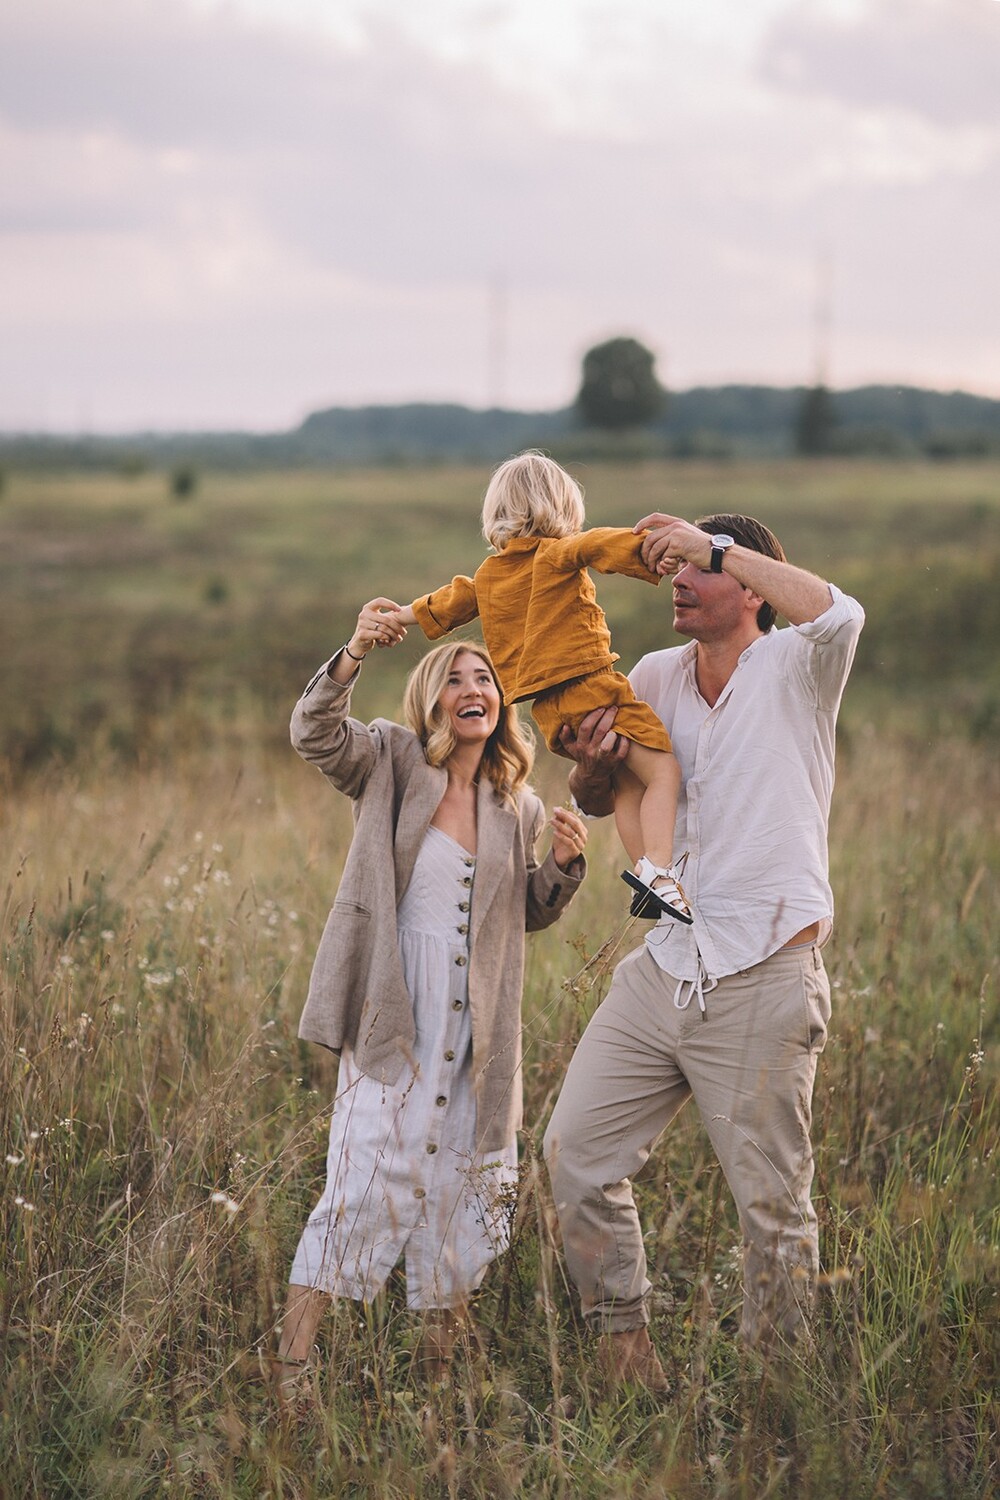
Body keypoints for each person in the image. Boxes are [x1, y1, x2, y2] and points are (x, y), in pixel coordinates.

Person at [543, 511, 864, 1394]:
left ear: (750, 585)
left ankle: (779, 1396)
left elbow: (844, 614)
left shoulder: (800, 666)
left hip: (765, 969)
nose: (676, 580)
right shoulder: (652, 676)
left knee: (771, 1209)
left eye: (696, 569)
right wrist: (589, 766)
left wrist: (715, 542)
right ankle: (628, 1355)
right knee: (574, 1154)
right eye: (673, 568)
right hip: (666, 966)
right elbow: (604, 797)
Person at [270, 602, 588, 1401]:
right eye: (454, 678)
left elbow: (525, 914)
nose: (473, 686)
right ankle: (291, 1373)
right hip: (395, 1014)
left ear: (501, 702)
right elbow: (313, 734)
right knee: (360, 1186)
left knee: (462, 1200)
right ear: (431, 702)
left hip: (477, 1032)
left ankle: (436, 1388)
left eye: (485, 677)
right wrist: (352, 652)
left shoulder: (514, 806)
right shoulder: (393, 760)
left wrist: (562, 866)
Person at [385, 451, 694, 924]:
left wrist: (400, 615)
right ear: (560, 509)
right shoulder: (557, 553)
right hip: (591, 688)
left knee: (630, 782)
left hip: (551, 713)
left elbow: (449, 601)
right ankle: (661, 873)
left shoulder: (489, 576)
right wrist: (652, 550)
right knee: (665, 771)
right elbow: (595, 545)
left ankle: (646, 872)